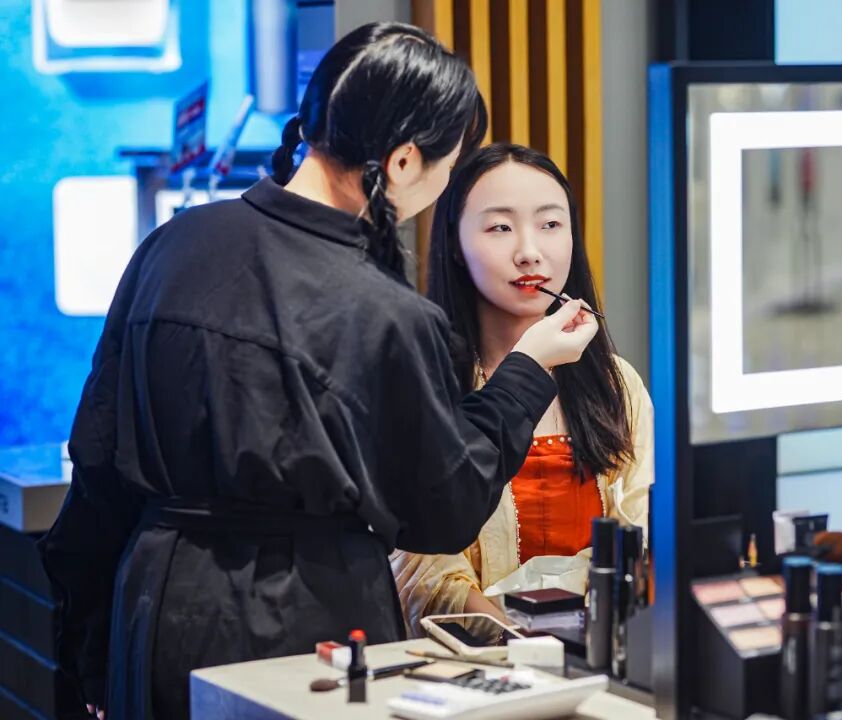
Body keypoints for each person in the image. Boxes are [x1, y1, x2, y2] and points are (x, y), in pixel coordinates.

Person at [39, 25, 597, 720]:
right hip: (307, 623)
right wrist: (528, 370)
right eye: (447, 168)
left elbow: (95, 463)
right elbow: (442, 510)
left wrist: (91, 651)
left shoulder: (172, 246)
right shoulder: (386, 311)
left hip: (151, 610)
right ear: (402, 162)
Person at [392, 144, 653, 636]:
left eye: (550, 224)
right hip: (475, 663)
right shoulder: (427, 385)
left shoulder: (617, 384)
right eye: (500, 228)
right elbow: (425, 577)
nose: (529, 251)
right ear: (454, 243)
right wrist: (527, 645)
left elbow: (641, 535)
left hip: (600, 654)